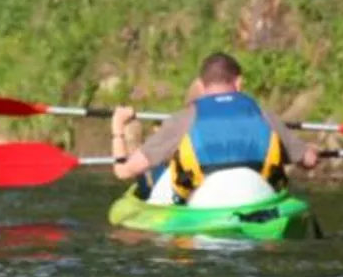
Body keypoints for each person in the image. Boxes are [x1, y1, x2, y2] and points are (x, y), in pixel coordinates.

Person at [109, 52, 320, 204]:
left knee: (163, 173)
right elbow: (309, 161)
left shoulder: (183, 119)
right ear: (239, 83)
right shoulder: (264, 116)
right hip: (259, 201)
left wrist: (118, 127)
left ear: (201, 86)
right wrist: (311, 149)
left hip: (205, 209)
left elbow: (123, 171)